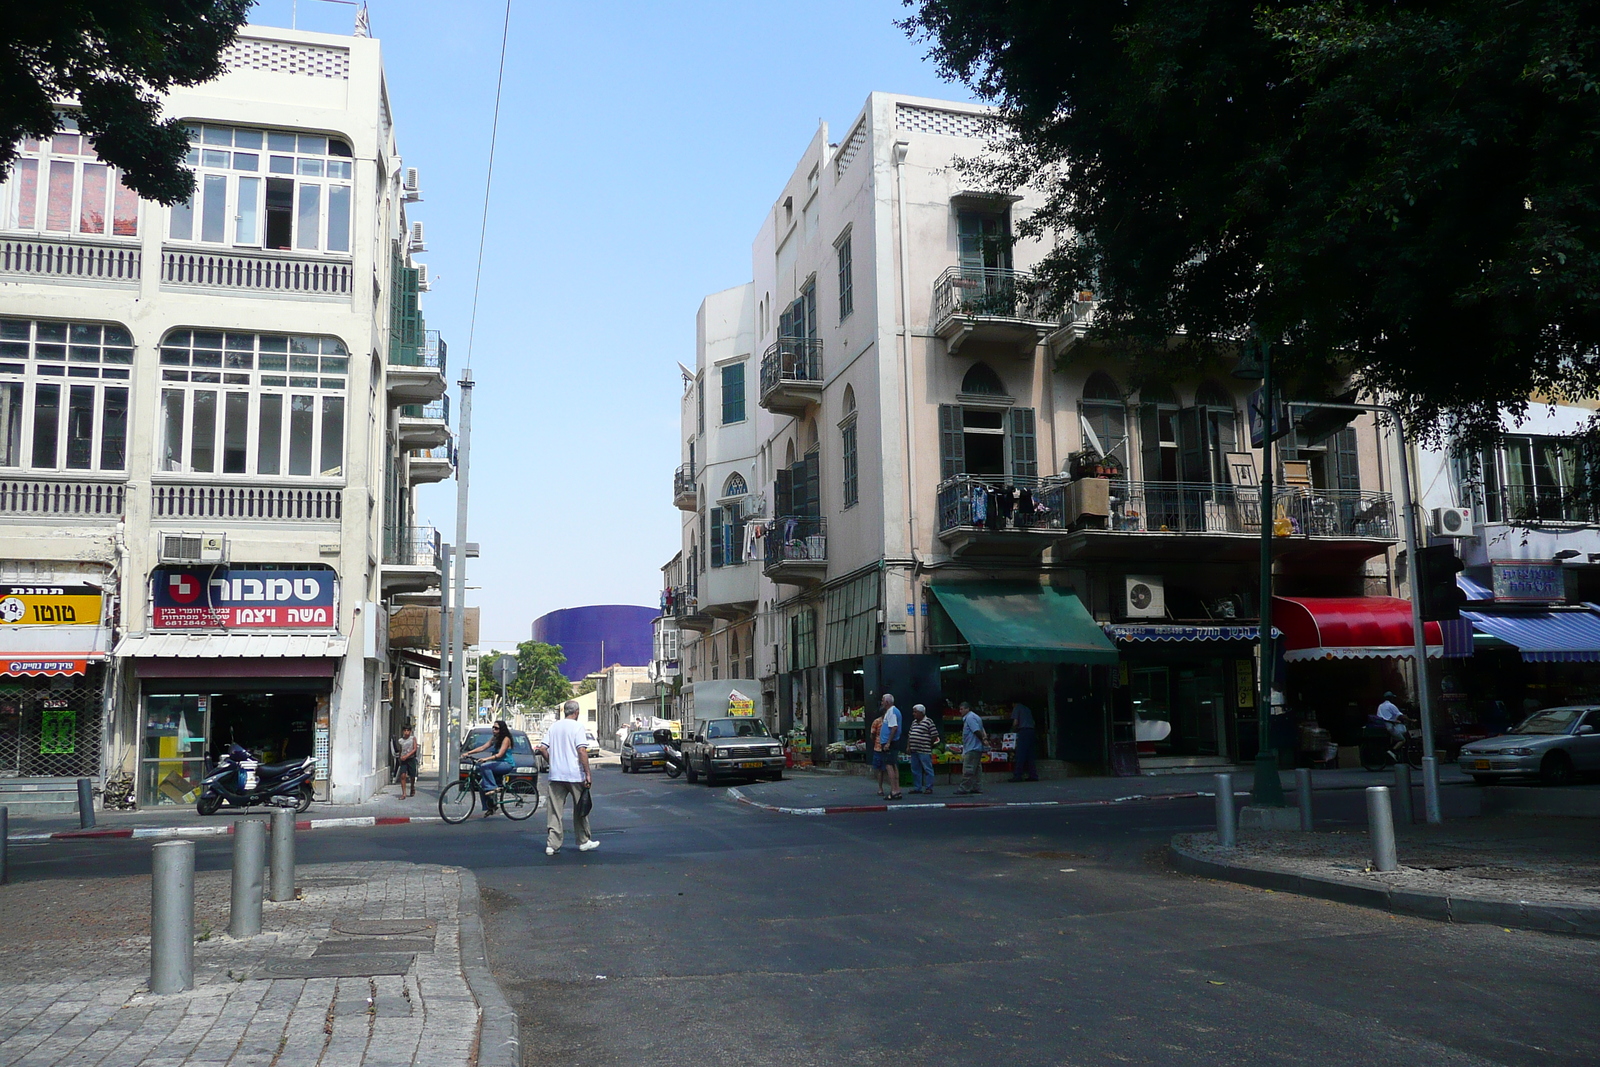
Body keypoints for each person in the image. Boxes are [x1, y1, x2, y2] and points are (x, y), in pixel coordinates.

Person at [535, 700, 596, 855]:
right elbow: (581, 750)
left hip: (556, 775)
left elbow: (542, 748)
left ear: (564, 712)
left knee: (555, 810)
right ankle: (583, 840)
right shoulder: (577, 727)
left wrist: (552, 761)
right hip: (575, 774)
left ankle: (552, 844)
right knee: (580, 808)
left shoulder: (554, 726)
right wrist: (587, 772)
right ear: (576, 712)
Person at [462, 720, 515, 816]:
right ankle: (490, 807)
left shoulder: (506, 739)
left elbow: (500, 755)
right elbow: (482, 747)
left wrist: (486, 759)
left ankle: (493, 787)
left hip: (506, 764)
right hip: (497, 764)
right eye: (493, 727)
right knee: (482, 784)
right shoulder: (495, 738)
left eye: (496, 728)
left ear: (502, 729)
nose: (494, 730)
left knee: (485, 766)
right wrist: (468, 753)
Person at [871, 692, 902, 800]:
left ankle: (894, 790)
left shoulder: (891, 712)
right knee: (893, 765)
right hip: (891, 742)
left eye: (883, 700)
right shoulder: (892, 711)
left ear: (887, 702)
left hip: (890, 743)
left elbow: (894, 727)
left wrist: (888, 742)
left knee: (889, 766)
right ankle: (897, 789)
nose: (882, 702)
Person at [955, 702, 987, 795]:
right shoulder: (975, 717)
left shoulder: (970, 718)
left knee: (968, 768)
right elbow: (982, 729)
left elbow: (976, 730)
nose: (960, 711)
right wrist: (984, 739)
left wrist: (983, 740)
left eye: (962, 709)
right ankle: (976, 787)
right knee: (976, 769)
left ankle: (964, 788)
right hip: (976, 747)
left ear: (967, 709)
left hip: (972, 747)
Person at [906, 704, 939, 794]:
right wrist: (908, 746)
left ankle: (929, 787)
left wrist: (929, 744)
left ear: (921, 713)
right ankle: (917, 787)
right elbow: (910, 735)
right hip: (914, 750)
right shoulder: (914, 722)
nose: (913, 714)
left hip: (924, 750)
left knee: (927, 769)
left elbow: (934, 734)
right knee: (915, 769)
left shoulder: (928, 721)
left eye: (915, 712)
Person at [1008, 701, 1039, 782]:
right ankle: (1033, 775)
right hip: (1031, 731)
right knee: (1030, 754)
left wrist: (1012, 731)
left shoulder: (1017, 708)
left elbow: (1015, 722)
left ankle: (1018, 775)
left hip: (1023, 731)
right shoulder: (1027, 709)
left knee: (1020, 754)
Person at [395, 724, 419, 799]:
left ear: (410, 731)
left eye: (408, 730)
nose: (406, 732)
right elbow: (401, 749)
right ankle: (404, 793)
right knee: (402, 775)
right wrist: (400, 757)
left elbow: (414, 749)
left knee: (412, 775)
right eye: (405, 730)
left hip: (411, 759)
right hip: (403, 760)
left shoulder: (413, 739)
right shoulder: (401, 740)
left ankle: (412, 787)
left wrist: (407, 755)